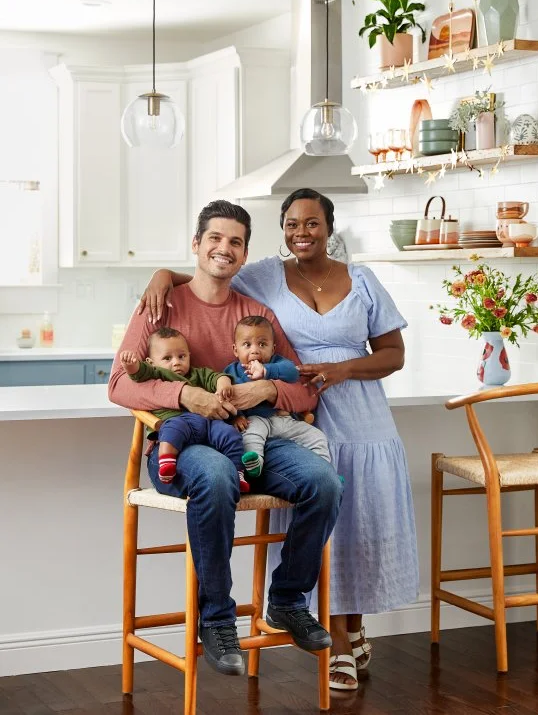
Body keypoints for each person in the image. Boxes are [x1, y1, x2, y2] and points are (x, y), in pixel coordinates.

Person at [141, 189, 419, 691]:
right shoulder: (256, 276)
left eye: (311, 224)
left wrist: (324, 373)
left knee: (356, 514)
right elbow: (211, 272)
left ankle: (335, 623)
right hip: (279, 422)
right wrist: (165, 275)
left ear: (329, 228)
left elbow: (393, 353)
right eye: (291, 224)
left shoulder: (360, 280)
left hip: (347, 412)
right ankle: (279, 629)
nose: (301, 233)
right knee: (309, 504)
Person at [109, 199, 343, 678]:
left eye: (235, 242)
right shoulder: (161, 304)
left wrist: (270, 387)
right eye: (214, 238)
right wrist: (185, 394)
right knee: (215, 476)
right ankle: (216, 621)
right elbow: (119, 383)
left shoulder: (255, 313)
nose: (224, 248)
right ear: (196, 245)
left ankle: (287, 601)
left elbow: (301, 386)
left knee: (324, 481)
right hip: (183, 447)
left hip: (251, 440)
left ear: (244, 253)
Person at [120, 326, 258, 492]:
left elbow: (217, 377)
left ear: (189, 356)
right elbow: (139, 373)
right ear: (151, 362)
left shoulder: (197, 374)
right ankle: (167, 463)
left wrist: (223, 385)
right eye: (167, 358)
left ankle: (239, 473)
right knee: (171, 430)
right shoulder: (157, 373)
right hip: (179, 421)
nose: (176, 362)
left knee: (230, 435)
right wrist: (131, 365)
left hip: (208, 424)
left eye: (181, 356)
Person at [225, 315, 330, 474]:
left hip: (283, 419)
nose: (255, 350)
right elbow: (228, 397)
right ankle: (255, 465)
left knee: (317, 437)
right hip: (255, 419)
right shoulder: (231, 372)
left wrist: (267, 371)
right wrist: (236, 416)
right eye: (247, 345)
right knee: (250, 437)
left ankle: (326, 469)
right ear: (235, 349)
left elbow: (293, 374)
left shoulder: (277, 363)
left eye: (262, 344)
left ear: (272, 348)